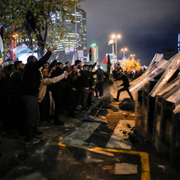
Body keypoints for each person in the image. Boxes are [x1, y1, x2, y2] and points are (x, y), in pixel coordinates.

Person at [21, 45, 57, 145]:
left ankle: (34, 132)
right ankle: (29, 136)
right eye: (36, 60)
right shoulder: (30, 67)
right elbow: (42, 61)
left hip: (33, 95)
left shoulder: (32, 69)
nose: (38, 62)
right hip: (29, 95)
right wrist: (50, 51)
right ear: (32, 61)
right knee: (31, 116)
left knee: (36, 115)